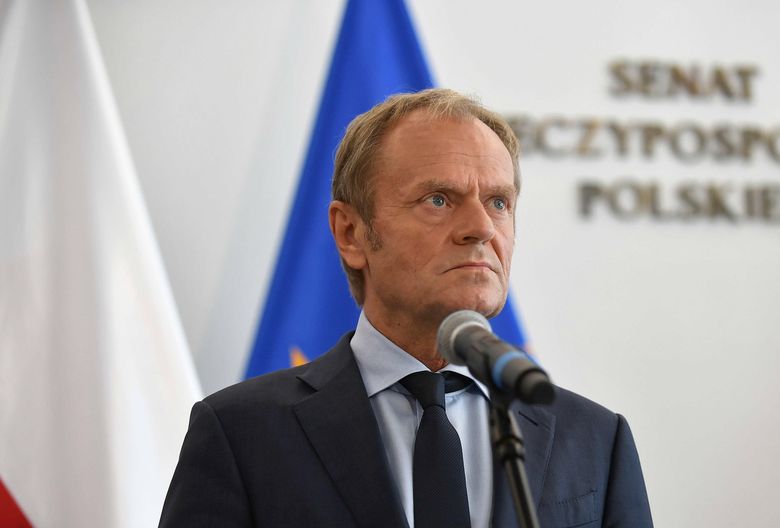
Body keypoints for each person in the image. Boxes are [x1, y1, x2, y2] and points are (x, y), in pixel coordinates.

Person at [159, 89, 653, 527]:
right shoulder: (240, 434)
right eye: (439, 199)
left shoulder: (596, 439)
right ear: (351, 233)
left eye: (499, 202)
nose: (481, 227)